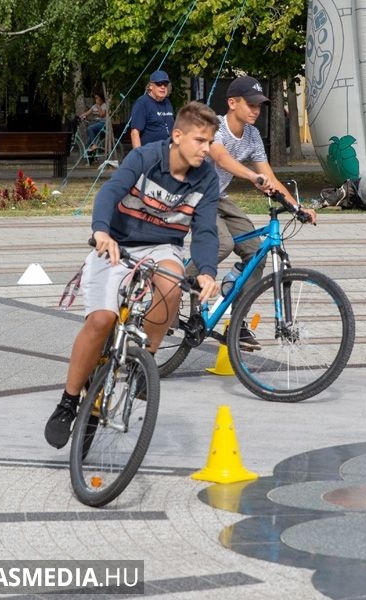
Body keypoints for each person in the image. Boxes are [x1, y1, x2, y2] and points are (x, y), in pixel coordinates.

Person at [44, 101, 222, 449]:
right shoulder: (145, 158)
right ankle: (68, 401)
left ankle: (143, 362)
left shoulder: (207, 178)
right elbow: (110, 192)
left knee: (172, 284)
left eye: (210, 142)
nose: (206, 148)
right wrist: (101, 231)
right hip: (118, 243)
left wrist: (207, 272)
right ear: (177, 136)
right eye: (200, 140)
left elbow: (205, 230)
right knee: (101, 320)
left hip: (162, 247)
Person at [207, 76, 317, 349]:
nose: (256, 110)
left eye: (259, 106)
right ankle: (172, 287)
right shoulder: (215, 127)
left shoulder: (253, 135)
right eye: (251, 104)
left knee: (256, 252)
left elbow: (270, 177)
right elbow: (221, 158)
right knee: (223, 243)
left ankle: (237, 323)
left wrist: (297, 207)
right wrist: (252, 177)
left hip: (218, 197)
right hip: (195, 196)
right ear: (232, 103)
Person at [129, 70, 175, 148]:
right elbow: (135, 132)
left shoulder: (167, 102)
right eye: (159, 83)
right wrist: (139, 154)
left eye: (165, 84)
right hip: (150, 152)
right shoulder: (142, 102)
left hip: (168, 150)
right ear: (150, 86)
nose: (163, 87)